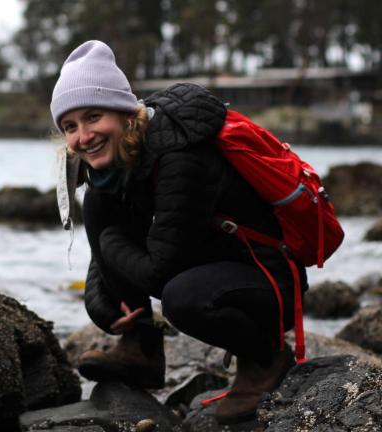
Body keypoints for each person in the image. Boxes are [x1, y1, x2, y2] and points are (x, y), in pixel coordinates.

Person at [50, 40, 307, 424]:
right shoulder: (122, 160)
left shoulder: (180, 157)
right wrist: (106, 307)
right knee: (100, 203)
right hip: (210, 263)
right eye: (70, 126)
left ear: (124, 113)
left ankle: (266, 357)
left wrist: (111, 243)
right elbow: (110, 250)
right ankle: (141, 348)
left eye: (93, 116)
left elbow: (158, 270)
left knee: (181, 298)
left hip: (267, 280)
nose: (83, 136)